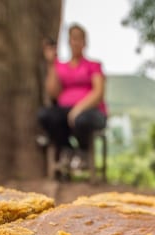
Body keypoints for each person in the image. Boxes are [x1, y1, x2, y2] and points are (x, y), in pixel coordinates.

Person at [38, 24, 107, 169]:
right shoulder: (61, 67)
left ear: (84, 42)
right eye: (72, 39)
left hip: (91, 112)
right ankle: (66, 149)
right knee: (46, 115)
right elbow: (53, 93)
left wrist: (78, 109)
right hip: (65, 111)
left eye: (78, 39)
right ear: (68, 42)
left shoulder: (93, 65)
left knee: (81, 120)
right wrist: (51, 64)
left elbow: (98, 92)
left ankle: (83, 152)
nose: (75, 43)